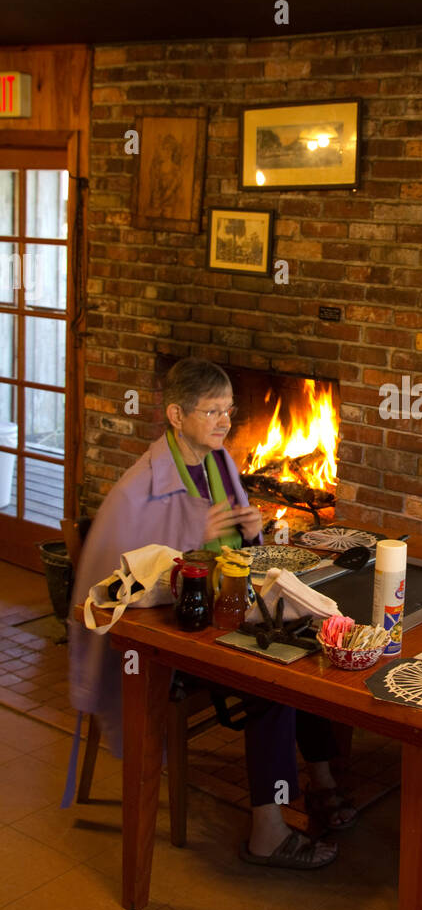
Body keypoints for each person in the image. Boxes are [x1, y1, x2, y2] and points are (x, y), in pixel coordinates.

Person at [68, 357, 351, 870]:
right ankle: (267, 831)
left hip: (226, 609)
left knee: (314, 647)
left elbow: (242, 552)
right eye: (213, 411)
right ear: (176, 415)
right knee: (276, 681)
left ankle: (322, 780)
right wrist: (192, 541)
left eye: (230, 410)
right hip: (174, 634)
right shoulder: (140, 487)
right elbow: (120, 585)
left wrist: (248, 530)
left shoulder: (217, 462)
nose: (225, 422)